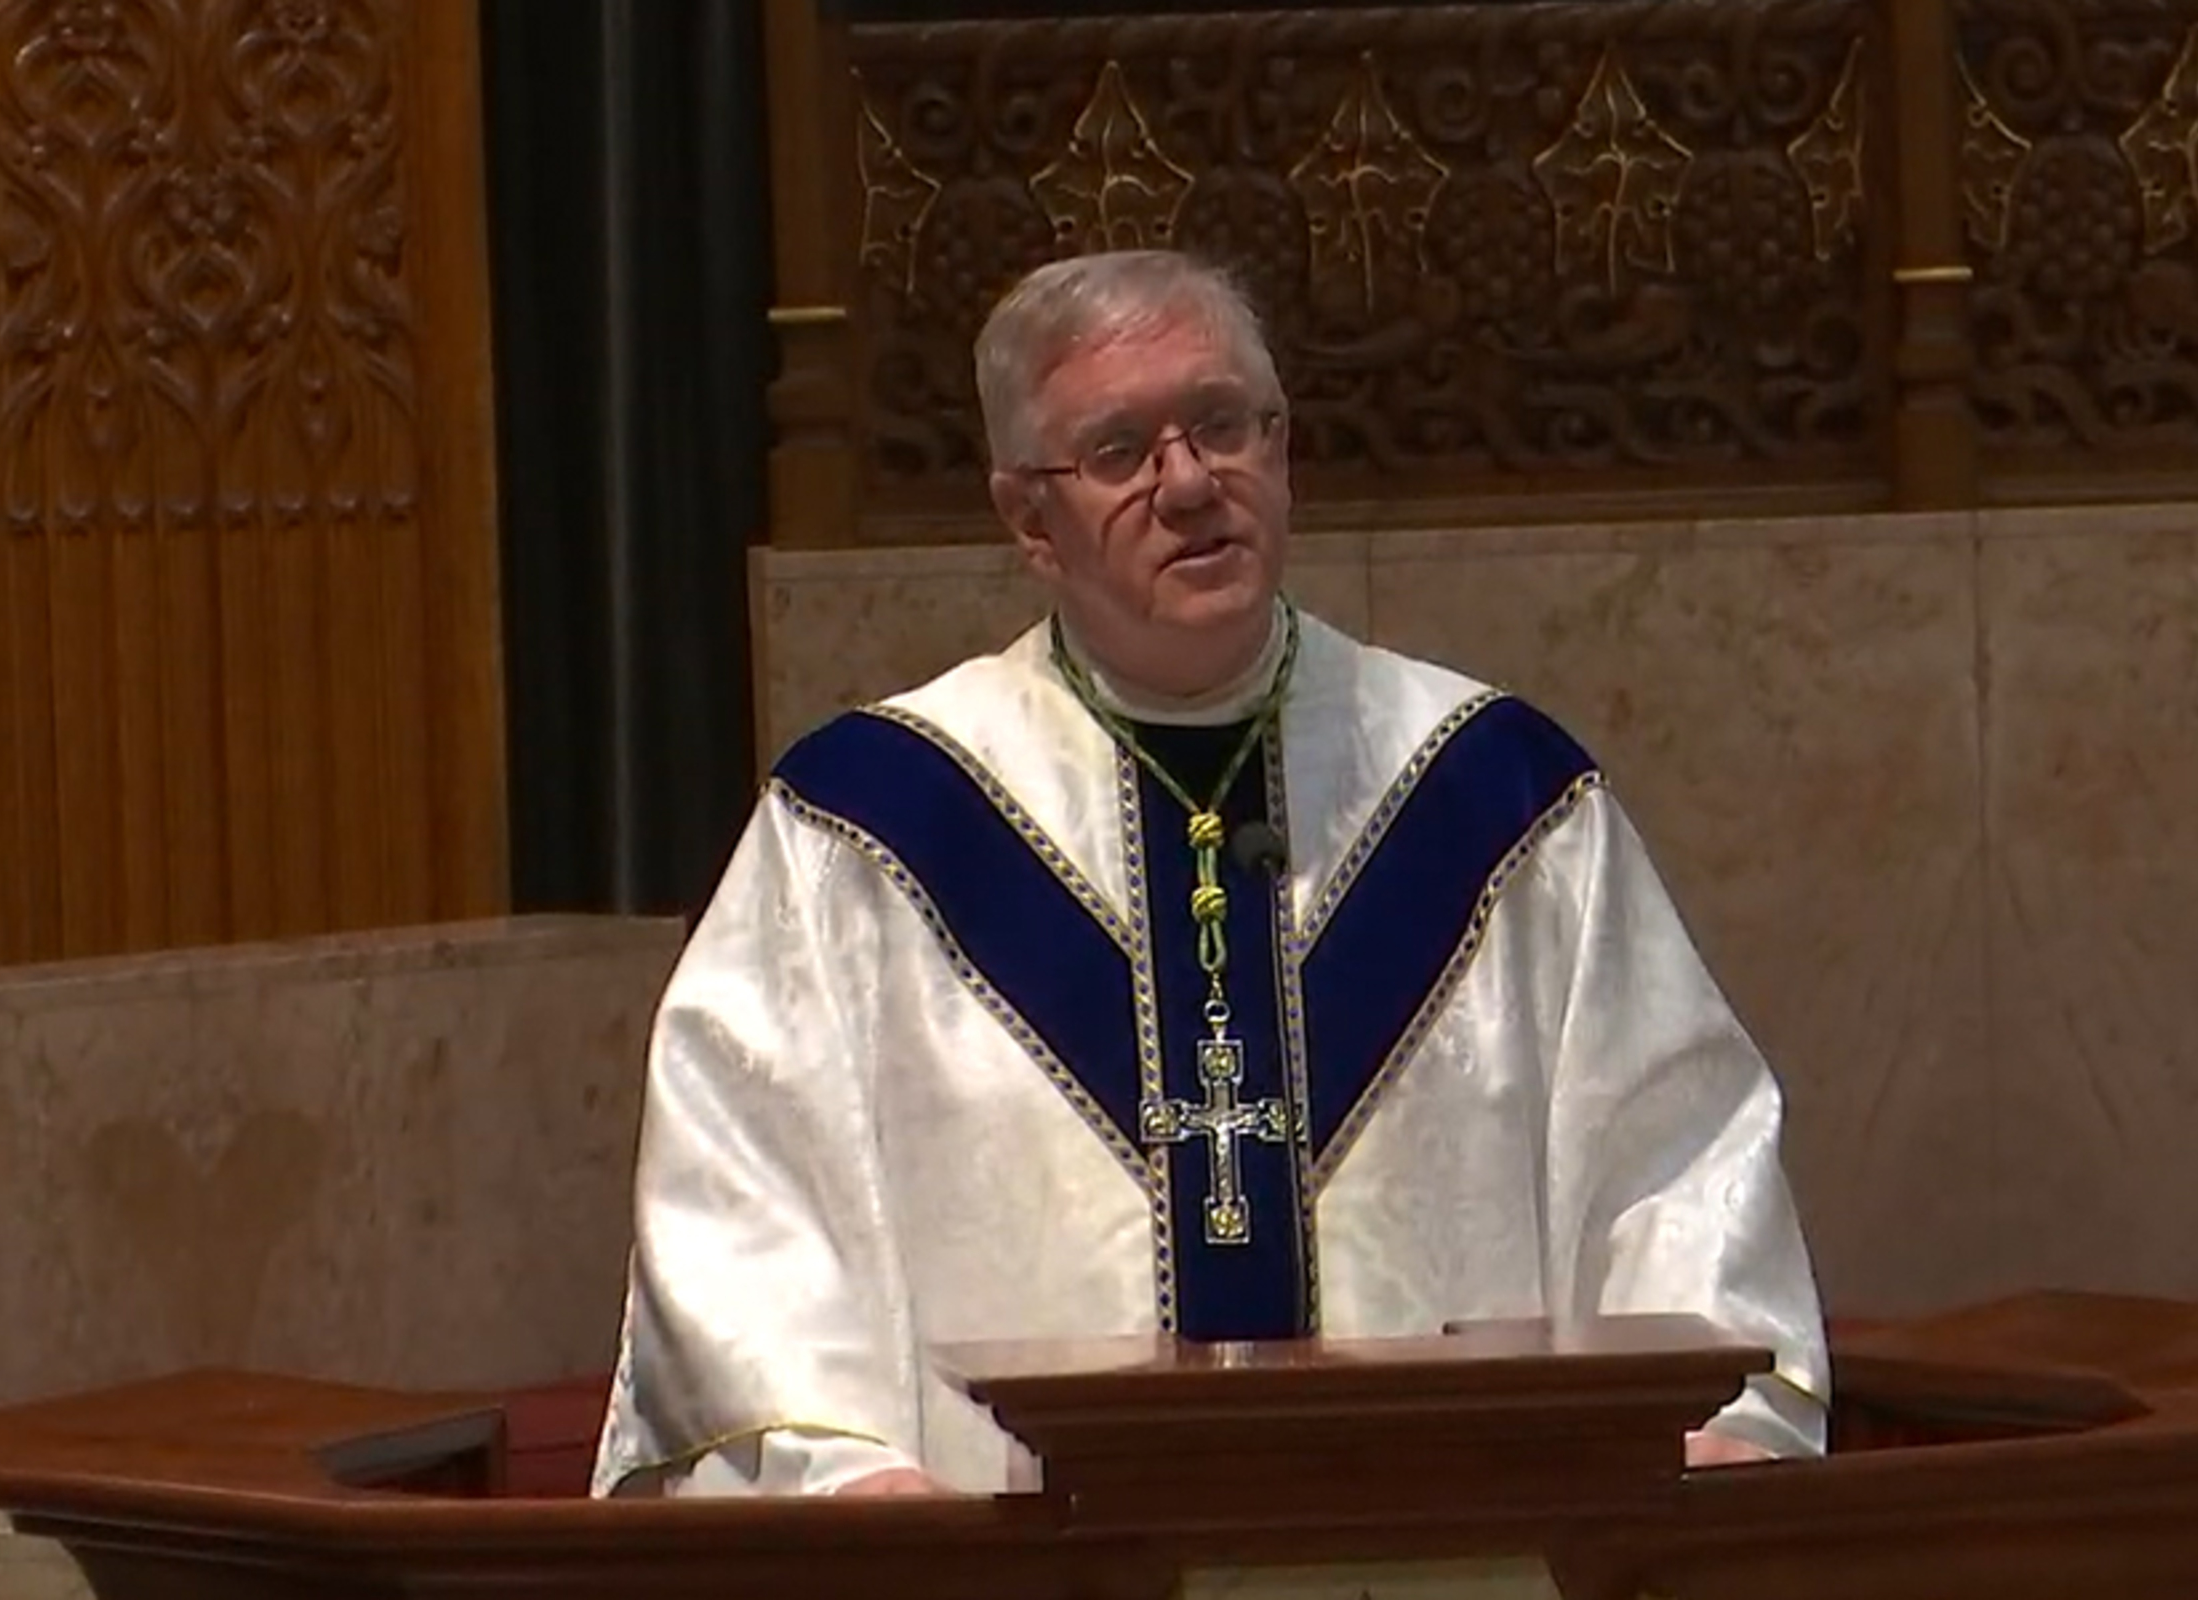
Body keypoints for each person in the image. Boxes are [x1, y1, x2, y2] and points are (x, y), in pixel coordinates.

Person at [588, 248, 1828, 1498]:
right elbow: (742, 1206)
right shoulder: (863, 830)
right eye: (1119, 451)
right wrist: (855, 1488)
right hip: (1005, 1570)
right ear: (1028, 520)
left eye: (1223, 425)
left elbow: (1679, 1161)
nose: (1188, 484)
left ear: (1282, 452)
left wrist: (1703, 1440)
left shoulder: (1497, 798)